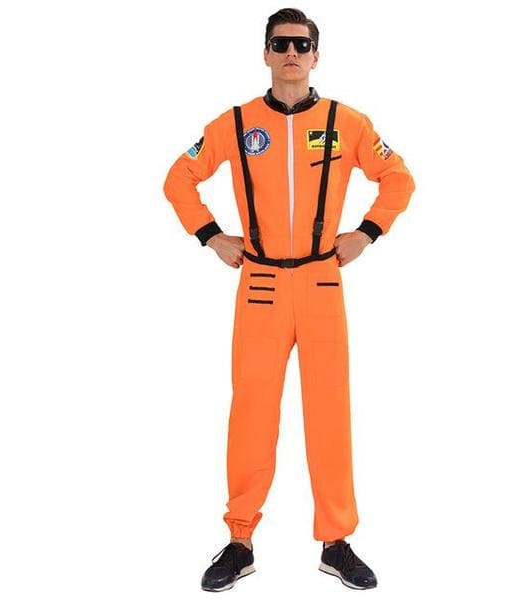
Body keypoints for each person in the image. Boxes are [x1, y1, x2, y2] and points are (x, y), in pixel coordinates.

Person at [162, 7, 416, 592]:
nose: (292, 53)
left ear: (317, 55)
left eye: (302, 44)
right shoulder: (235, 124)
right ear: (266, 54)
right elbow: (179, 178)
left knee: (330, 413)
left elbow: (399, 178)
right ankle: (240, 539)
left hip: (322, 282)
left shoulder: (347, 123)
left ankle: (336, 541)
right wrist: (212, 236)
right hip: (260, 287)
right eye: (281, 44)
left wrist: (367, 232)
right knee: (252, 413)